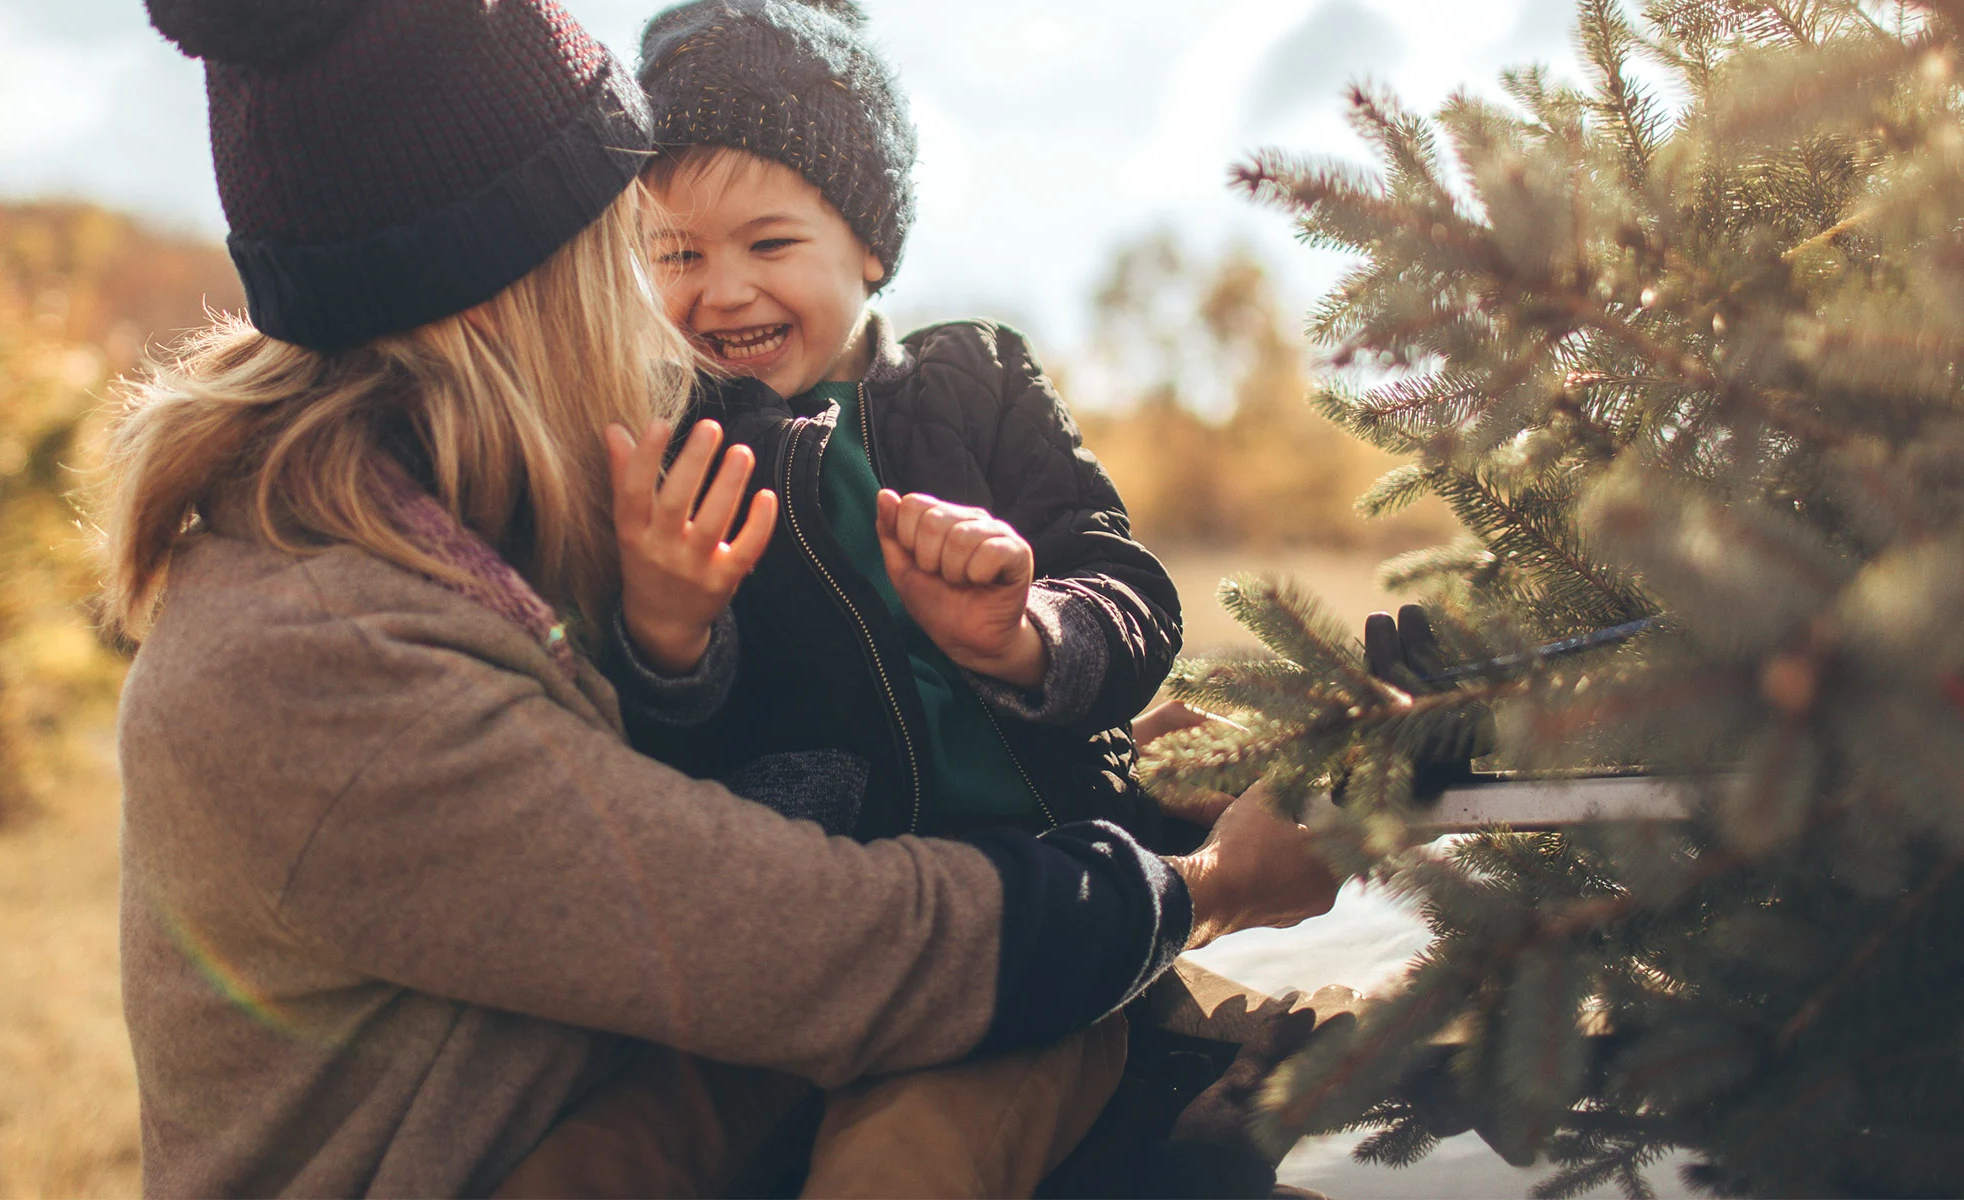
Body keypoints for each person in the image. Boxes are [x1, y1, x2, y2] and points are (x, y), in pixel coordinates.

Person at [106, 0, 1338, 1196]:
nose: (692, 298)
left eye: (766, 243)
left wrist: (1053, 674)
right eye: (649, 245)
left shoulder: (482, 507)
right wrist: (1217, 877)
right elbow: (812, 945)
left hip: (809, 1027)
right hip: (796, 1015)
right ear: (522, 282)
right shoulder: (322, 658)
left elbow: (1103, 585)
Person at [555, 1, 1191, 1192]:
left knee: (907, 1163)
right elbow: (647, 743)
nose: (722, 291)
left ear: (871, 249)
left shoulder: (977, 382)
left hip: (1029, 931)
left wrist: (1029, 635)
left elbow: (1131, 590)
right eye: (676, 254)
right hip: (789, 956)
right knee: (602, 1153)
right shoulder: (661, 445)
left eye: (771, 243)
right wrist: (668, 627)